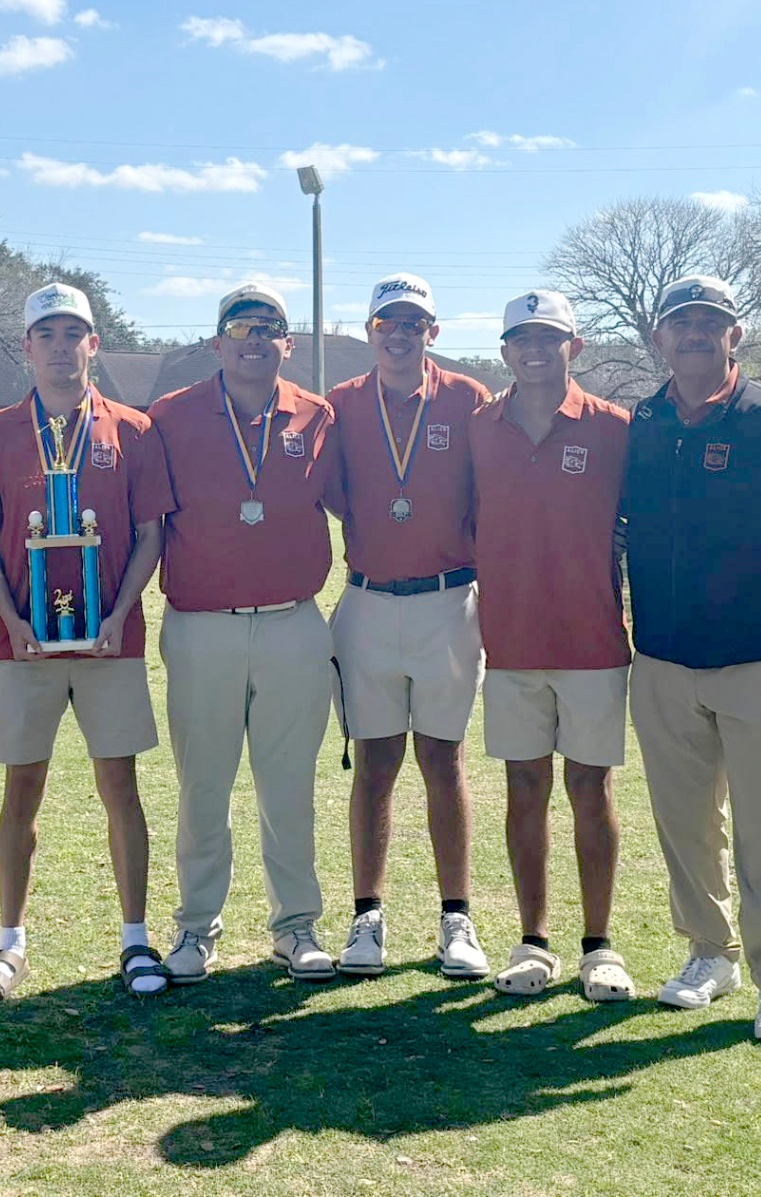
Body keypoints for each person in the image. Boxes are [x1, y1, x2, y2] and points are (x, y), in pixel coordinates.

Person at [626, 275, 761, 1042]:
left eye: (708, 323)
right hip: (663, 659)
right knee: (685, 824)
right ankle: (709, 955)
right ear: (659, 339)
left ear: (733, 335)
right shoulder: (643, 422)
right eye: (680, 323)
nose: (693, 335)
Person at [0, 282, 176, 1000]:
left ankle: (136, 940)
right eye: (45, 333)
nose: (59, 345)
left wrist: (120, 613)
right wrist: (10, 616)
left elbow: (150, 534)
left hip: (112, 642)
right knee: (23, 789)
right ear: (27, 346)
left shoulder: (132, 429)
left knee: (121, 789)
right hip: (23, 645)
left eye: (71, 332)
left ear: (93, 343)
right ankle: (10, 942)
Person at [149, 282, 339, 984]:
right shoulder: (169, 417)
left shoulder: (316, 417)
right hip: (202, 625)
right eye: (241, 325)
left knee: (288, 786)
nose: (255, 338)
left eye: (270, 327)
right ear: (217, 340)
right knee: (204, 786)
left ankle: (297, 925)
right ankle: (197, 928)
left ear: (287, 344)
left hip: (293, 622)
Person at [323, 273, 491, 980]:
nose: (400, 333)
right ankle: (368, 916)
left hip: (449, 601)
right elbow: (330, 496)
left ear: (434, 332)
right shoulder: (339, 406)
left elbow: (491, 495)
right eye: (387, 322)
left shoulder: (467, 399)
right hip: (366, 601)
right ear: (370, 332)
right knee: (376, 762)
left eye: (414, 323)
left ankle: (457, 919)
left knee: (444, 761)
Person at [470, 290, 635, 1001]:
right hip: (509, 640)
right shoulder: (479, 426)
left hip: (594, 637)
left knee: (590, 788)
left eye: (550, 337)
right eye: (521, 338)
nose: (534, 350)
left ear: (576, 345)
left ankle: (598, 946)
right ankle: (533, 939)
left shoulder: (616, 428)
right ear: (505, 349)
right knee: (524, 786)